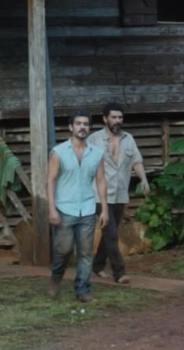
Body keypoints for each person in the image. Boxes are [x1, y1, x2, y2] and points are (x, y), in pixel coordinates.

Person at [47, 111, 109, 303]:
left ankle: (82, 290)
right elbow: (50, 180)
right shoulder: (59, 152)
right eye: (78, 124)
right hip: (65, 209)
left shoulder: (96, 154)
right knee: (63, 250)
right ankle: (56, 278)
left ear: (89, 128)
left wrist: (104, 209)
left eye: (86, 124)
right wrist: (51, 209)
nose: (82, 127)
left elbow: (100, 181)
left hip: (88, 209)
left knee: (86, 253)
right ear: (71, 127)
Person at [87, 102, 150, 284]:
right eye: (113, 117)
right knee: (112, 233)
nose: (117, 121)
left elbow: (136, 161)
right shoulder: (94, 139)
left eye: (120, 117)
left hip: (120, 194)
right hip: (99, 194)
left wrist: (144, 180)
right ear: (105, 118)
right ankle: (119, 272)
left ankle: (97, 266)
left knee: (109, 233)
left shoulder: (128, 139)